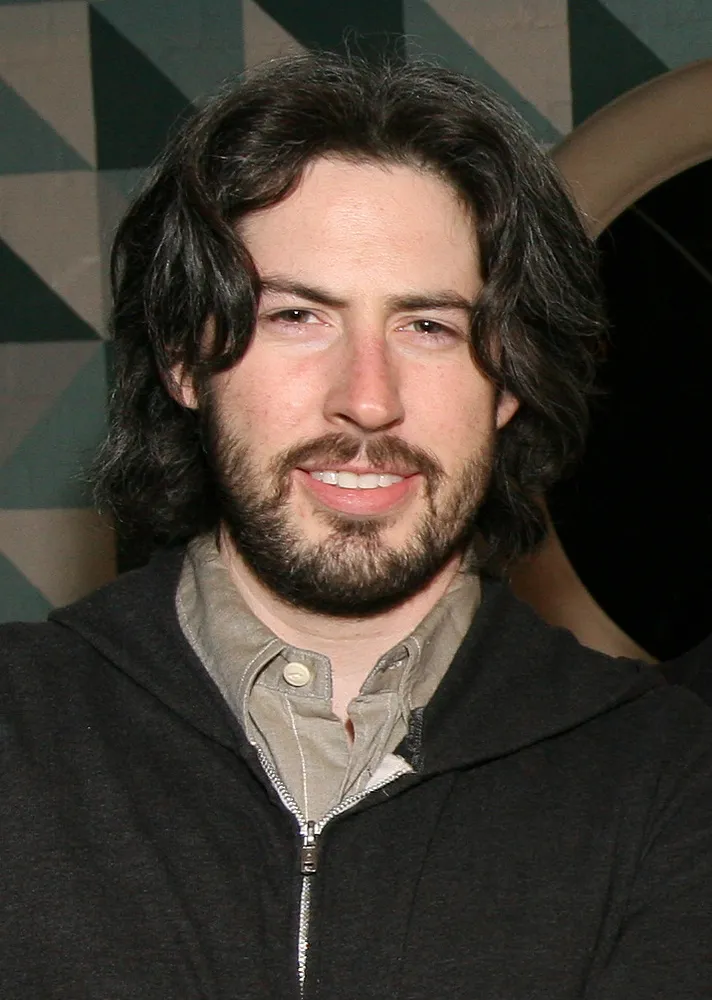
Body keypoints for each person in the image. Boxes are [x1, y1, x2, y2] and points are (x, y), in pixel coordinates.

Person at [1, 53, 711, 999]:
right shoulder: (20, 730)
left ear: (509, 384)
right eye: (298, 316)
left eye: (429, 327)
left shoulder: (670, 776)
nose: (367, 400)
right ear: (184, 361)